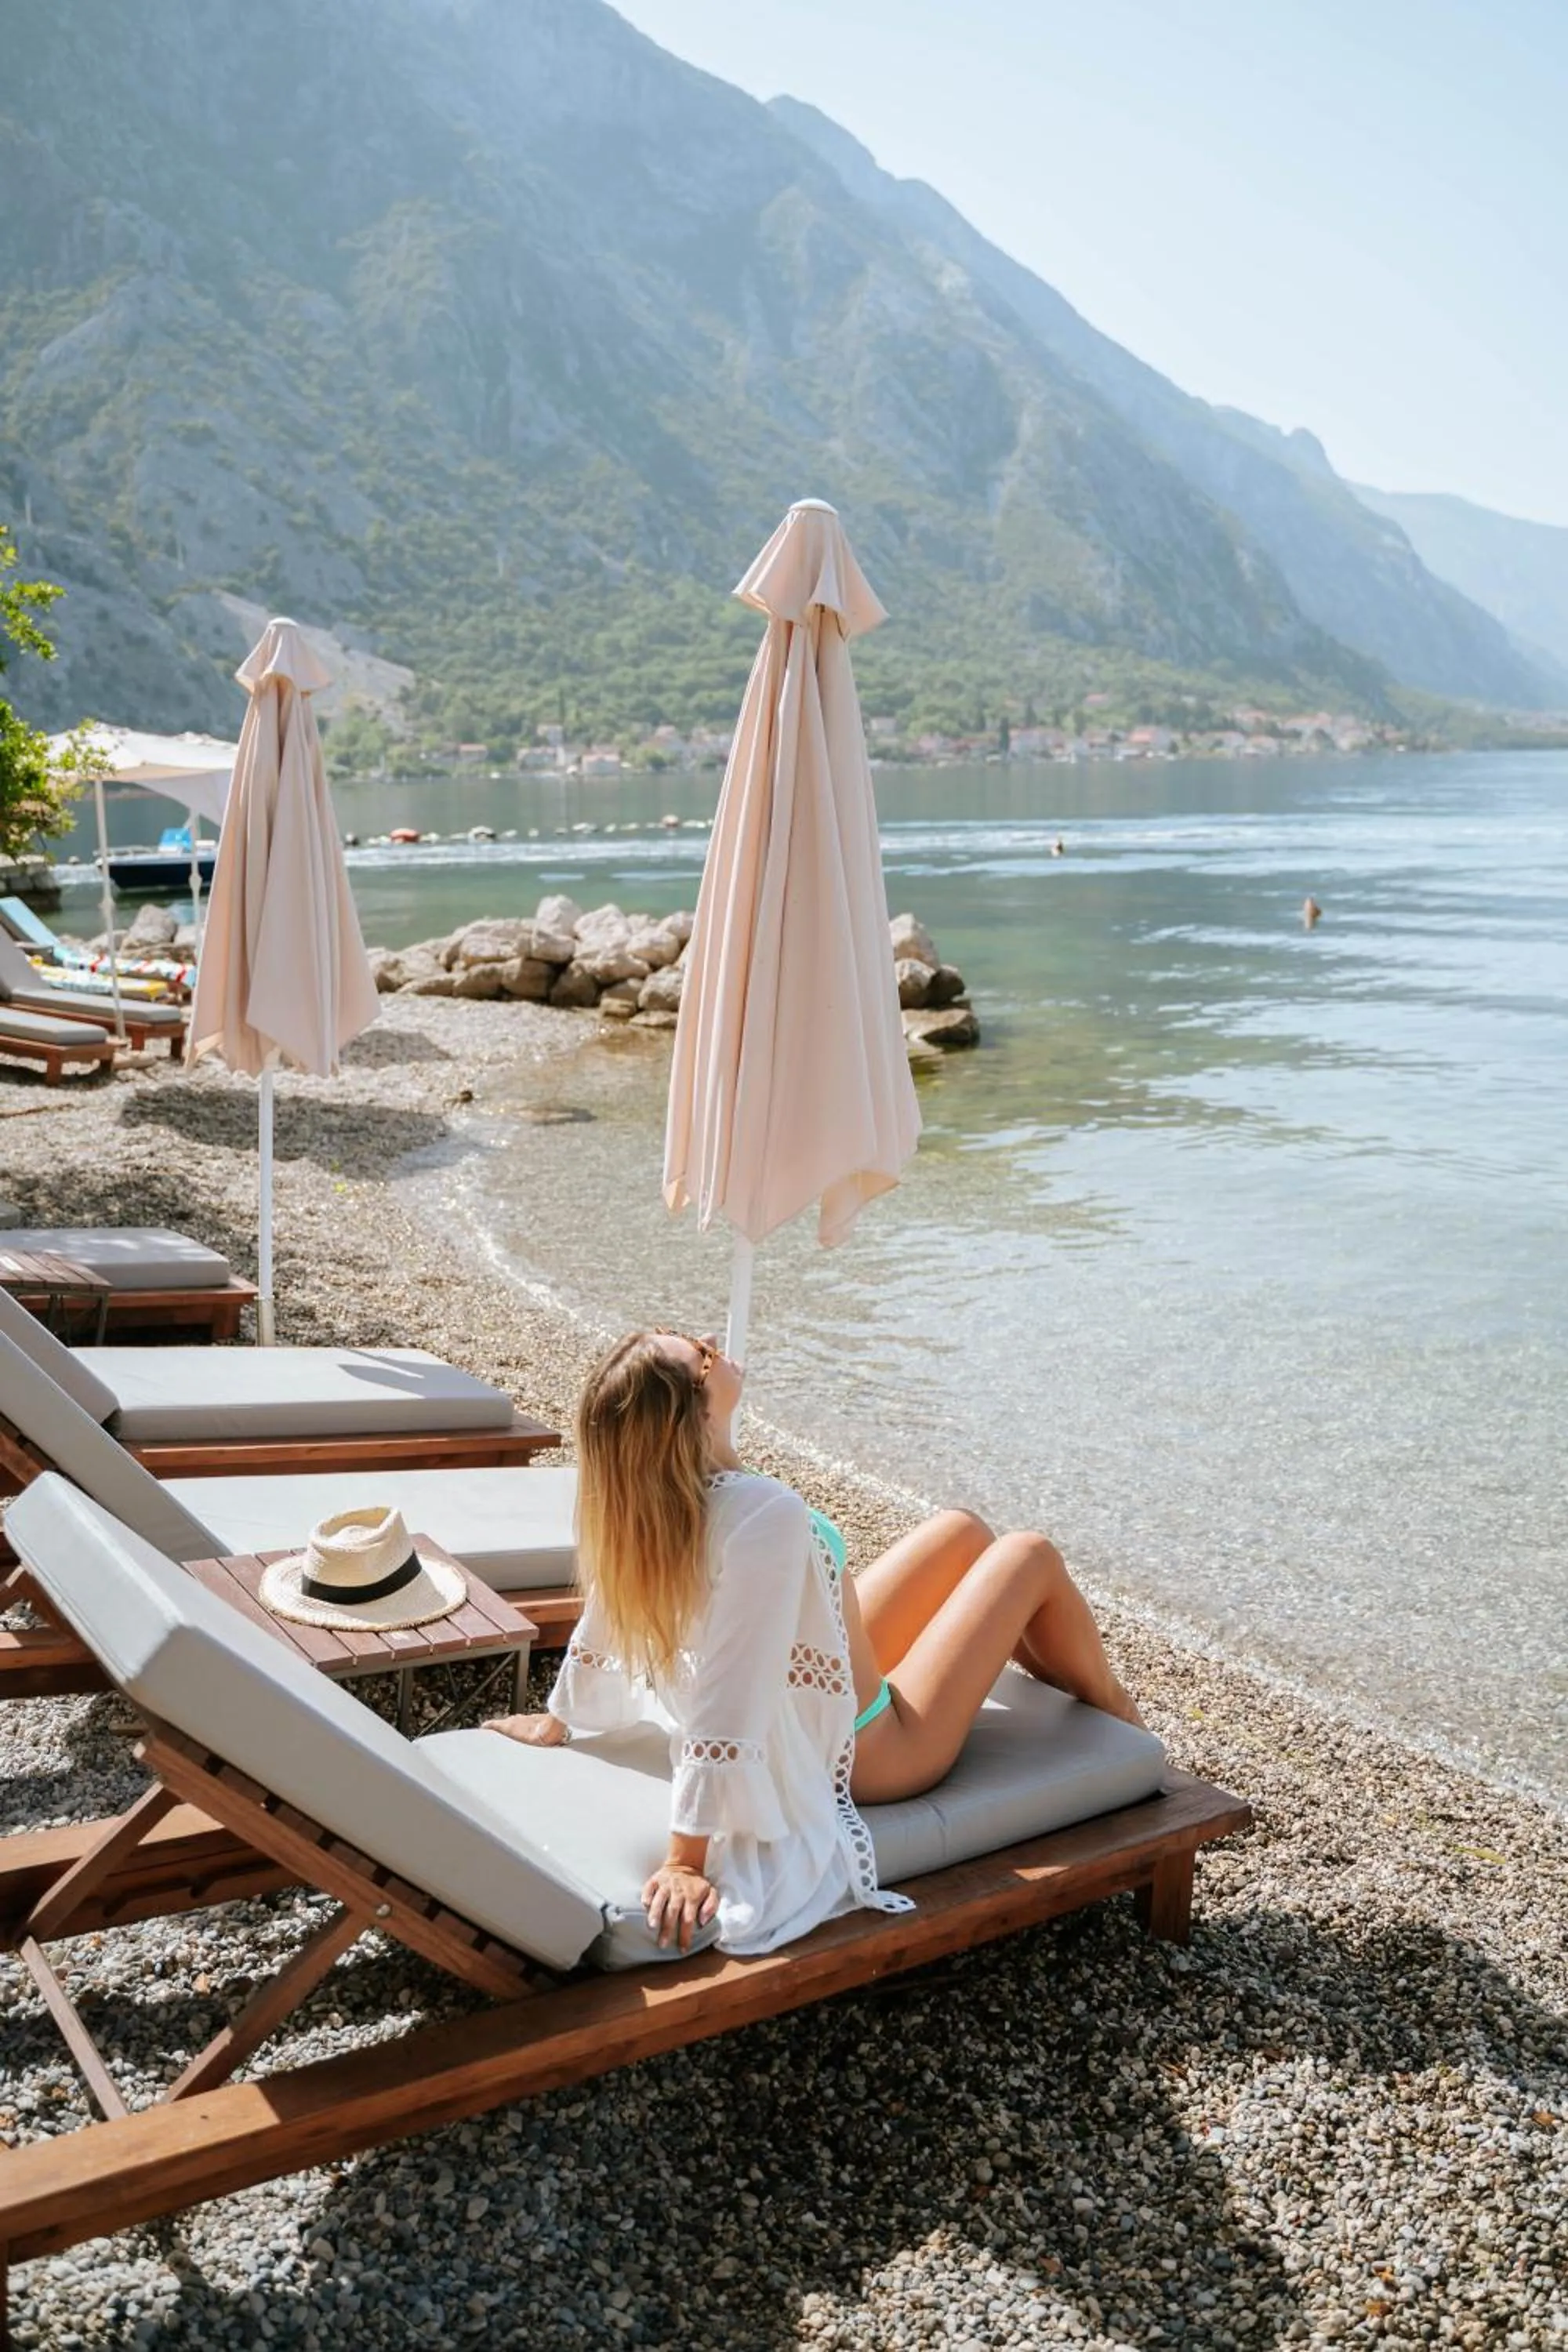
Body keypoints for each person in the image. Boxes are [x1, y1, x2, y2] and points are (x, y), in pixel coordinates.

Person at [485, 1330, 1141, 1957]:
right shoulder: (764, 1513)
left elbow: (611, 1611)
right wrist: (686, 1857)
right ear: (694, 1413)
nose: (716, 1344)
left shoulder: (664, 1498)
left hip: (817, 1691)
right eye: (704, 1357)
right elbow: (730, 1688)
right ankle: (1121, 1725)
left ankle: (1075, 1690)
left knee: (962, 1531)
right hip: (871, 1748)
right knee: (1029, 1555)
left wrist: (561, 1716)